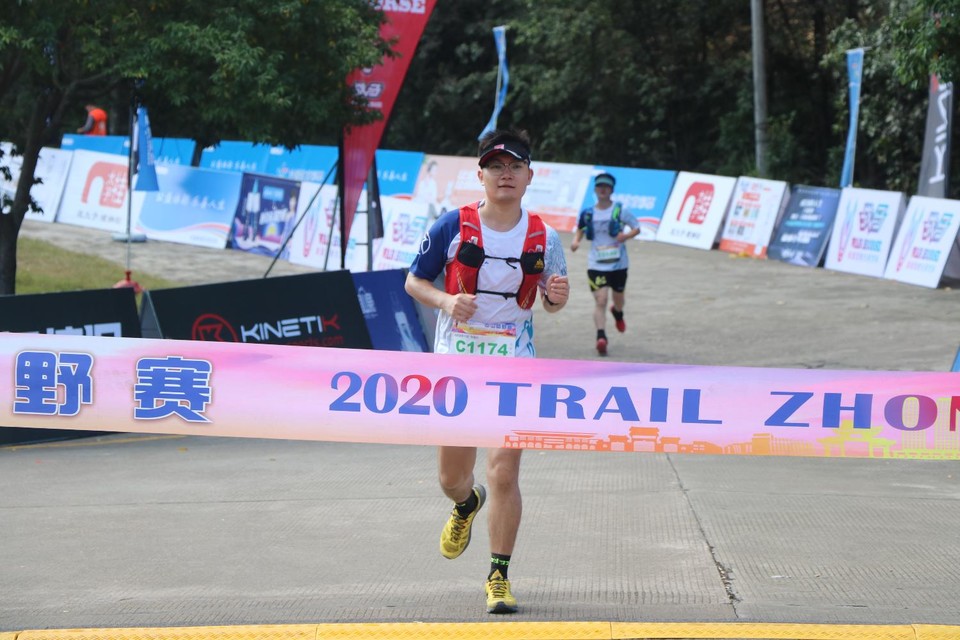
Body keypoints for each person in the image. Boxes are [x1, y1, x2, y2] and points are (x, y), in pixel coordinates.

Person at [404, 128, 569, 615]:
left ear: (529, 176)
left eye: (515, 166)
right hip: (457, 367)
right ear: (480, 175)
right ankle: (464, 504)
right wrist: (445, 300)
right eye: (496, 166)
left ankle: (498, 576)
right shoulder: (451, 226)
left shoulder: (546, 237)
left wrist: (557, 299)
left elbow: (552, 299)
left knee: (503, 471)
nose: (505, 174)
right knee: (452, 478)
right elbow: (414, 281)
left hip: (515, 365)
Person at [570, 172, 641, 356]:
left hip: (619, 264)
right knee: (600, 300)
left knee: (618, 299)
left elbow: (636, 228)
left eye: (606, 186)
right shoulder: (588, 213)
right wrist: (576, 241)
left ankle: (618, 312)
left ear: (611, 190)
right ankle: (601, 337)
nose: (603, 189)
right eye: (600, 186)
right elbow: (580, 229)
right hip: (596, 264)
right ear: (595, 189)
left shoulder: (620, 210)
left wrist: (625, 236)